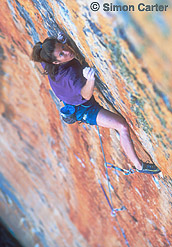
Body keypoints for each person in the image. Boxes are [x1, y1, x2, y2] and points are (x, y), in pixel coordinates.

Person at [31, 36, 160, 174]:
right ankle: (139, 166)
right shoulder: (71, 77)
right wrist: (90, 79)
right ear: (56, 62)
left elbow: (47, 51)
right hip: (83, 109)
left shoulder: (47, 60)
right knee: (121, 126)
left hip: (71, 100)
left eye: (63, 47)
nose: (67, 51)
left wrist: (60, 42)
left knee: (120, 125)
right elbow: (85, 95)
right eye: (62, 54)